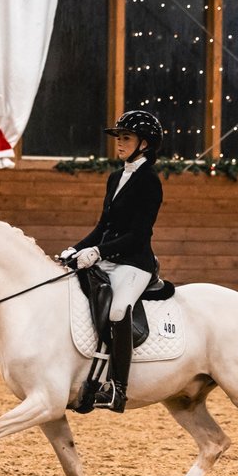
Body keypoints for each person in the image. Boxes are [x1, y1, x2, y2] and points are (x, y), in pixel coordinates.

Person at [59, 110, 164, 413]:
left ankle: (117, 388)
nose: (119, 143)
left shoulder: (150, 182)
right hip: (109, 258)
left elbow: (138, 234)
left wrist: (99, 253)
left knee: (118, 310)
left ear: (144, 144)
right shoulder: (116, 177)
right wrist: (75, 249)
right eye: (118, 137)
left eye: (126, 138)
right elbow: (102, 227)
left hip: (134, 263)